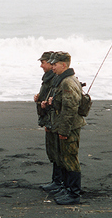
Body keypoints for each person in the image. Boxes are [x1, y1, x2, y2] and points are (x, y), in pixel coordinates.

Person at [43, 51, 86, 205]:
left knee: (70, 159)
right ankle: (68, 189)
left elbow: (70, 109)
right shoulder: (67, 80)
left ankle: (74, 194)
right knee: (65, 158)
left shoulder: (67, 82)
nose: (52, 67)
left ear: (64, 65)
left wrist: (64, 130)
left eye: (54, 64)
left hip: (69, 126)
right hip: (68, 125)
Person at [34, 51, 64, 193]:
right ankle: (56, 181)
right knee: (52, 151)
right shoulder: (49, 77)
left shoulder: (55, 79)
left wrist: (44, 104)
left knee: (56, 151)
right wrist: (39, 99)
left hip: (53, 120)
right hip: (48, 119)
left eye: (43, 62)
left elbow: (55, 100)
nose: (41, 66)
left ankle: (58, 182)